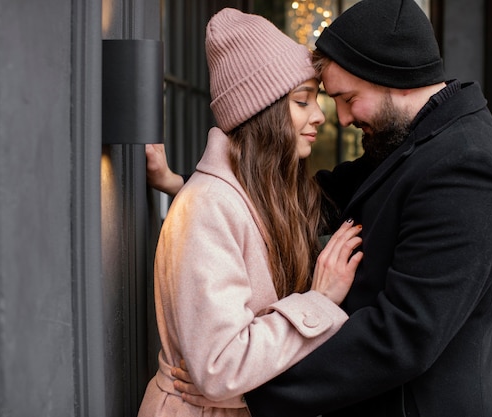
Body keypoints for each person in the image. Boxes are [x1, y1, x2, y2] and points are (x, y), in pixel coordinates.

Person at [163, 0, 492, 416]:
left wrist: (250, 388)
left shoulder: (465, 167)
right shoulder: (410, 140)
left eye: (348, 98)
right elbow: (308, 201)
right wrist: (192, 189)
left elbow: (402, 336)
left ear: (395, 78)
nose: (343, 118)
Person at [137, 8, 364, 417]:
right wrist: (320, 300)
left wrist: (239, 392)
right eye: (301, 101)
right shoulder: (209, 206)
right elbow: (221, 367)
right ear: (261, 113)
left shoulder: (269, 197)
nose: (319, 116)